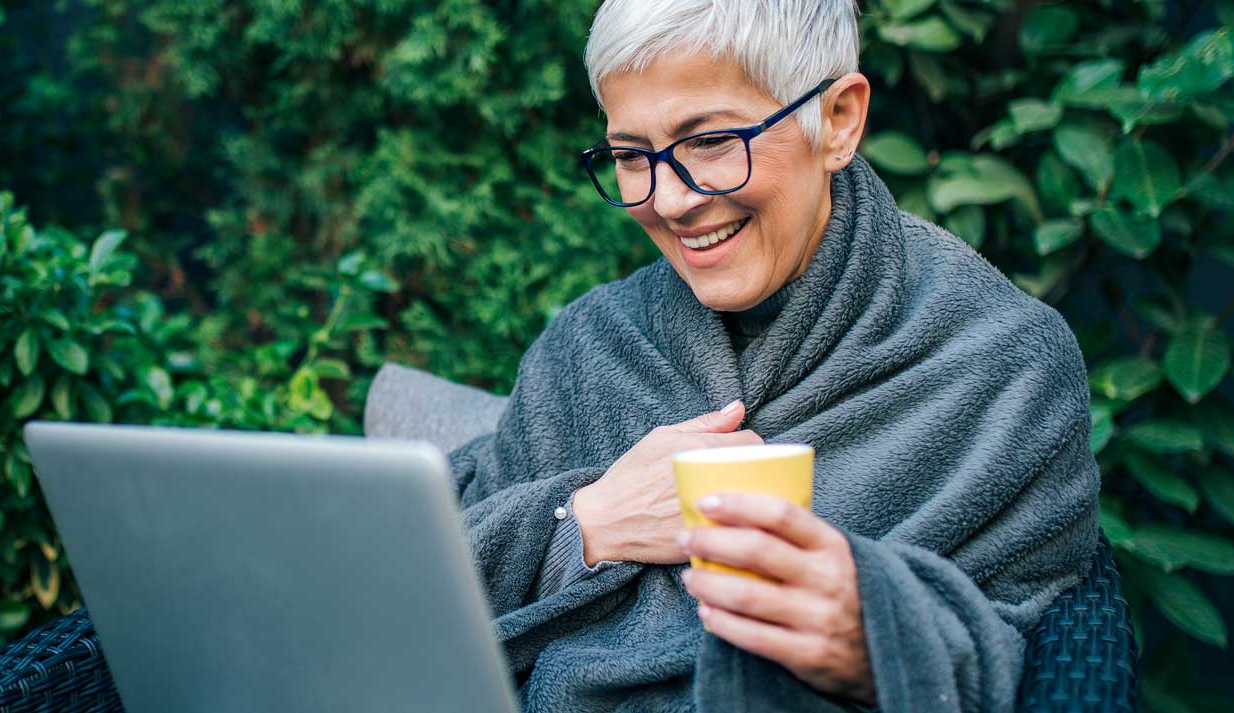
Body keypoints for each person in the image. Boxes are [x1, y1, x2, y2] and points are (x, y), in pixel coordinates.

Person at [446, 1, 1100, 711]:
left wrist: (875, 633)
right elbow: (421, 574)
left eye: (713, 142)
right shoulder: (590, 344)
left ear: (840, 120)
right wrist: (587, 522)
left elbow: (1044, 654)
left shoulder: (1000, 363)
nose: (668, 200)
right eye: (632, 156)